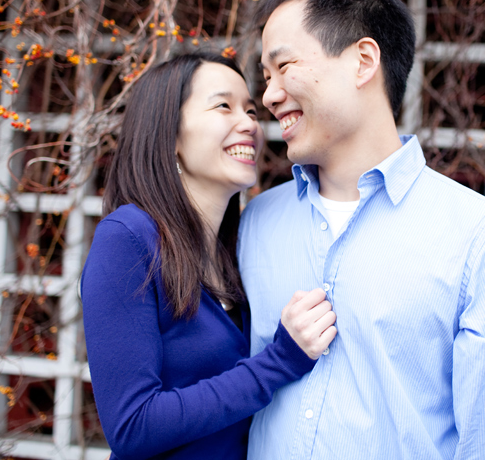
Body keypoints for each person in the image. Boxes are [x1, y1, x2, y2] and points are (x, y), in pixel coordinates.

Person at [238, 0, 485, 458]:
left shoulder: (478, 238)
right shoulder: (255, 223)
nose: (269, 94)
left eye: (284, 66)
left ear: (362, 61)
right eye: (266, 77)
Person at [81, 53, 337, 460]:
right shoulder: (128, 239)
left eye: (251, 110)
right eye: (224, 106)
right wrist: (280, 361)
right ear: (171, 135)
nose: (250, 123)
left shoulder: (236, 250)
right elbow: (132, 426)